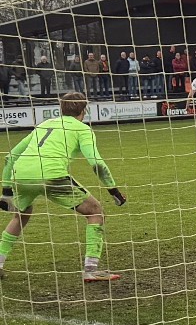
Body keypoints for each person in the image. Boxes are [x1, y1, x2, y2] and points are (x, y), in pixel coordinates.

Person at [0, 91, 125, 283]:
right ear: (84, 110)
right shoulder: (82, 129)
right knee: (95, 212)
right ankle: (91, 270)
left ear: (61, 108)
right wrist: (113, 190)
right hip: (52, 175)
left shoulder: (44, 124)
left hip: (21, 174)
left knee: (21, 216)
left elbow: (10, 157)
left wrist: (6, 191)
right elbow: (96, 163)